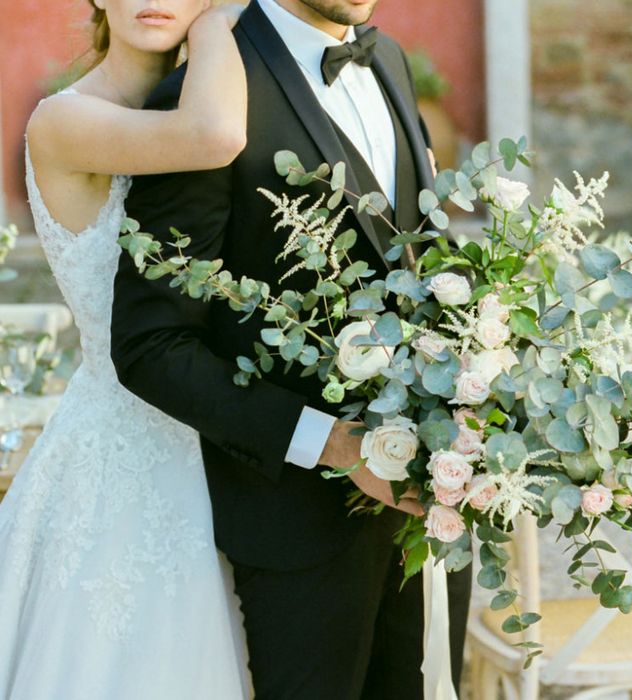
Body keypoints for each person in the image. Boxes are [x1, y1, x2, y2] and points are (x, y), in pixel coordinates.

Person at [110, 1, 472, 698]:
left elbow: (417, 263)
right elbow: (150, 343)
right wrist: (335, 445)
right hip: (296, 531)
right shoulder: (203, 90)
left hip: (428, 507)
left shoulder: (388, 59)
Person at [0, 2, 252, 698]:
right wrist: (211, 22)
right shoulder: (62, 120)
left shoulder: (216, 83)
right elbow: (216, 133)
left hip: (223, 437)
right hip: (116, 456)